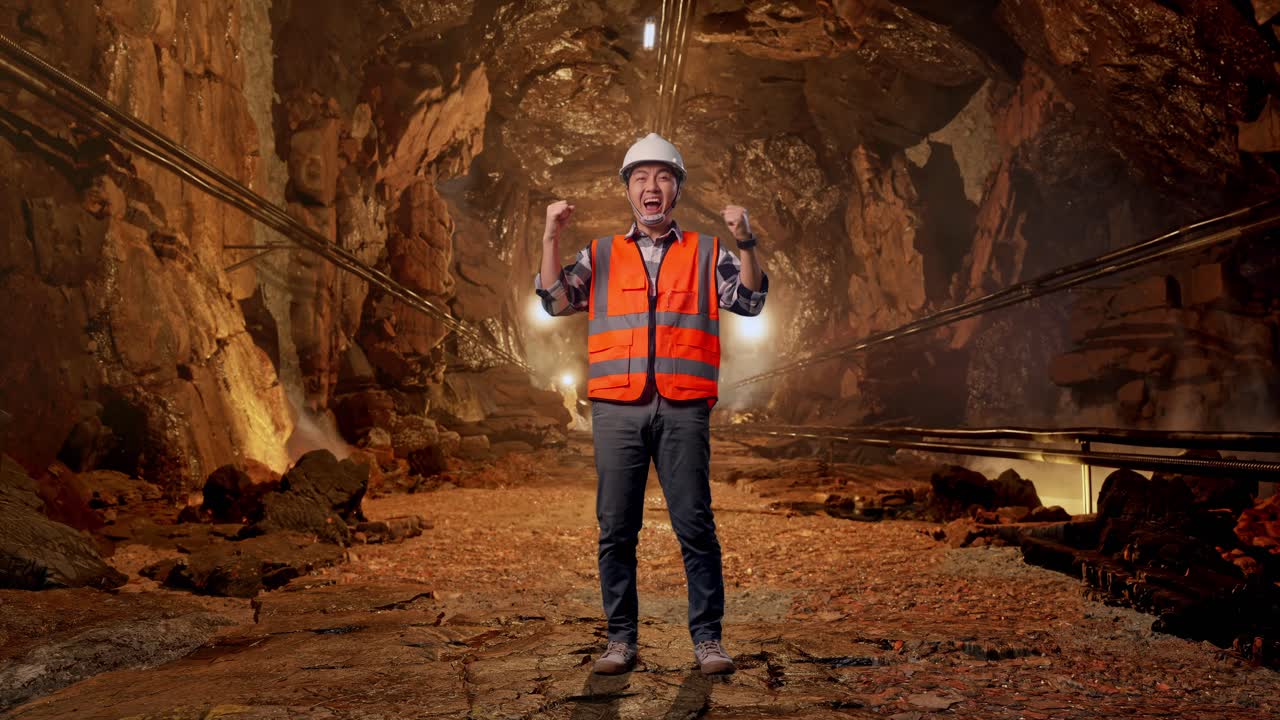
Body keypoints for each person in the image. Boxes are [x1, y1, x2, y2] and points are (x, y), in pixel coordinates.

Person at [534, 133, 768, 675]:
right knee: (616, 528)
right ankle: (620, 641)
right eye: (640, 178)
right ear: (629, 192)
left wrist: (748, 243)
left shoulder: (708, 251)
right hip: (618, 407)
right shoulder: (601, 253)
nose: (651, 186)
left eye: (663, 176)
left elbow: (750, 301)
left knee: (694, 525)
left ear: (677, 188)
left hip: (684, 407)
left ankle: (708, 640)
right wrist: (550, 236)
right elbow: (555, 300)